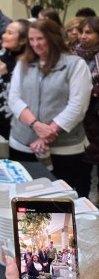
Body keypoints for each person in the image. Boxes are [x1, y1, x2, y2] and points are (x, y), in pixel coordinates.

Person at [9, 19, 92, 188]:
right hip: (23, 144)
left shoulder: (75, 65)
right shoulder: (23, 63)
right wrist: (36, 125)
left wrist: (47, 134)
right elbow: (14, 98)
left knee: (56, 204)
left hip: (64, 149)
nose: (35, 44)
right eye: (31, 39)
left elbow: (77, 105)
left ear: (53, 38)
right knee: (25, 201)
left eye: (40, 38)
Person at [73, 17, 99, 198]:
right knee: (81, 170)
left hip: (95, 118)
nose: (82, 36)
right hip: (79, 121)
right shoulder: (73, 55)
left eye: (88, 32)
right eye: (81, 32)